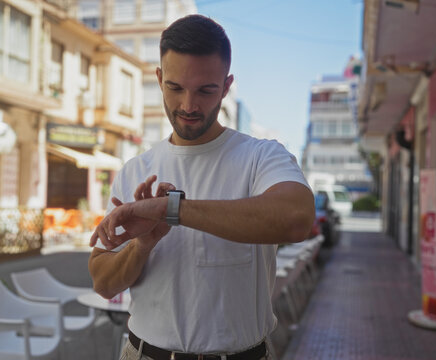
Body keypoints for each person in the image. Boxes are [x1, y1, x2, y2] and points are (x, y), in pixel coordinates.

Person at [88, 14, 315, 360]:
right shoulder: (136, 170)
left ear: (226, 86)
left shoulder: (260, 157)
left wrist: (171, 209)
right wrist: (142, 246)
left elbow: (297, 217)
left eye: (206, 90)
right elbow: (104, 283)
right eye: (175, 88)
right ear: (159, 79)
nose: (188, 106)